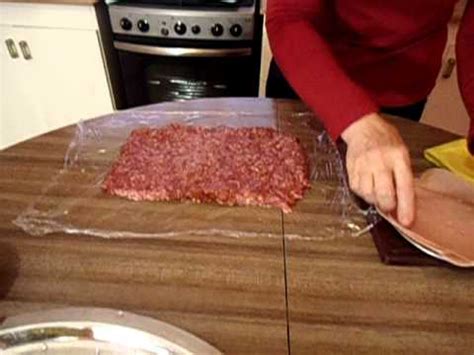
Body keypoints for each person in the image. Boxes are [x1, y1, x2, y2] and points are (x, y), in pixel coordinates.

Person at [265, 0, 474, 227]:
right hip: (312, 78)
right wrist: (353, 117)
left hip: (404, 94)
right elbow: (289, 16)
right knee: (290, 215)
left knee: (379, 218)